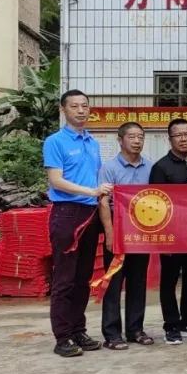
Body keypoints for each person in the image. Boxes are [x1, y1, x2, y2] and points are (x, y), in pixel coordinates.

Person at [43, 90, 111, 358]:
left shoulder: (93, 143)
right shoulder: (55, 141)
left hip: (90, 214)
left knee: (83, 278)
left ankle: (77, 330)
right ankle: (62, 337)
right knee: (65, 279)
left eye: (85, 106)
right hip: (67, 214)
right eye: (74, 106)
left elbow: (97, 177)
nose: (81, 110)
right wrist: (92, 192)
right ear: (63, 110)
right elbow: (56, 181)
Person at [98, 122, 153, 350]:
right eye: (132, 137)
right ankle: (112, 334)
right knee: (114, 283)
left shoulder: (150, 167)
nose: (137, 141)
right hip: (118, 228)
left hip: (142, 228)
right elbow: (103, 202)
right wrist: (109, 233)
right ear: (120, 140)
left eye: (140, 137)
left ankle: (135, 330)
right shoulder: (109, 168)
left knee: (138, 281)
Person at [149, 118, 187, 345]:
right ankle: (171, 325)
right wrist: (161, 238)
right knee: (169, 281)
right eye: (178, 135)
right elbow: (154, 204)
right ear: (169, 139)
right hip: (171, 234)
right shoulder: (161, 167)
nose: (184, 139)